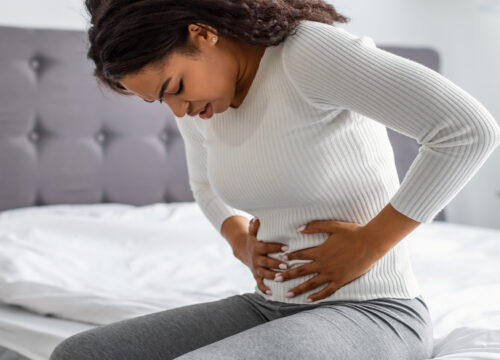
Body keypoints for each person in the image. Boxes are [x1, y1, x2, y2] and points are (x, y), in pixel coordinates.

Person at [50, 0, 500, 359]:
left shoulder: (306, 53)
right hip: (273, 307)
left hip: (376, 311)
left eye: (174, 87)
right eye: (158, 102)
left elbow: (467, 130)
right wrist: (237, 237)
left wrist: (371, 242)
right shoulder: (205, 102)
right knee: (79, 353)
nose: (178, 110)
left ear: (203, 34)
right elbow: (205, 185)